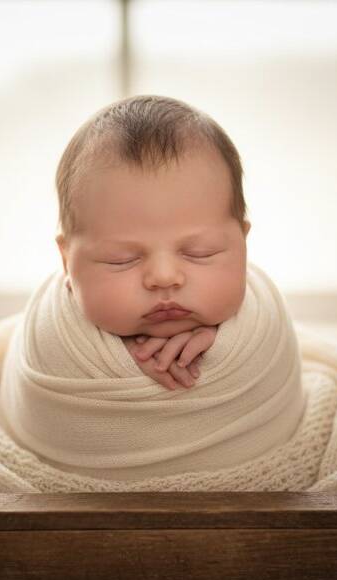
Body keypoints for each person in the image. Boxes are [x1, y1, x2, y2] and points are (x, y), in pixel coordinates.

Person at [53, 94, 251, 391]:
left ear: (243, 244)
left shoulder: (261, 322)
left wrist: (228, 344)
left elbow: (271, 357)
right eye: (121, 259)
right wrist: (115, 358)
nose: (164, 277)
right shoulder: (55, 335)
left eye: (200, 253)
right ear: (68, 262)